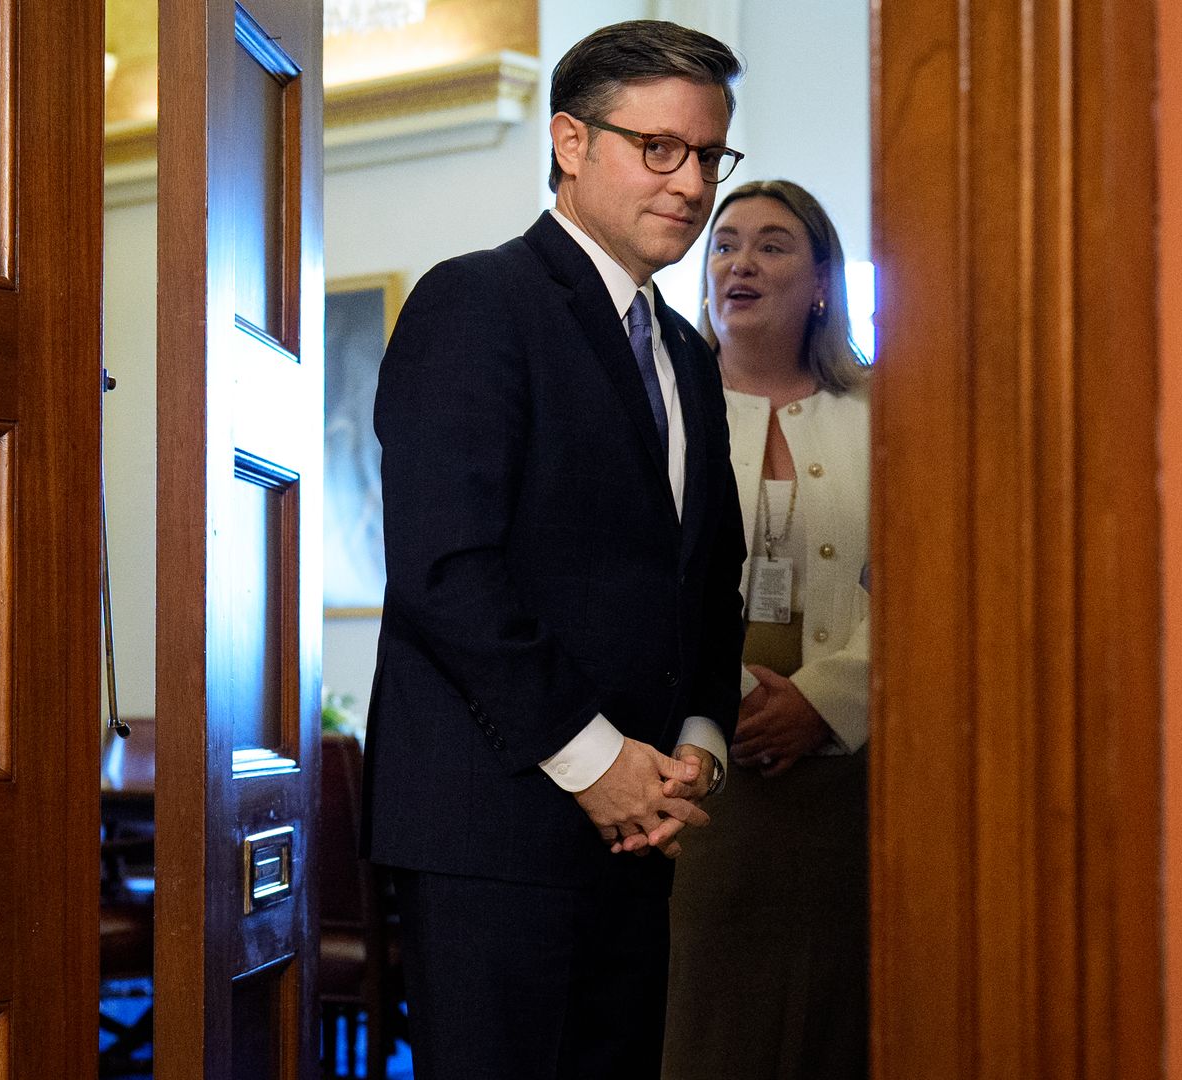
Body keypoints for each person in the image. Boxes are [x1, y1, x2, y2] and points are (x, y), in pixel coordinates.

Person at [363, 20, 748, 1080]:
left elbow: (707, 576)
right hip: (497, 830)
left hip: (644, 827)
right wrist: (597, 764)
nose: (690, 183)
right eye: (657, 148)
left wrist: (699, 740)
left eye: (709, 155)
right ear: (571, 142)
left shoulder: (685, 355)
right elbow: (447, 568)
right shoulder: (478, 300)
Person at [663, 180, 872, 1079]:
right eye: (725, 243)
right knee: (705, 1023)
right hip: (698, 764)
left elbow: (937, 584)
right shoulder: (660, 410)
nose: (740, 262)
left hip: (856, 770)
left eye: (773, 244)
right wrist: (735, 698)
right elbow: (635, 580)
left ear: (822, 278)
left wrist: (828, 701)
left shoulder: (887, 417)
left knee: (837, 1016)